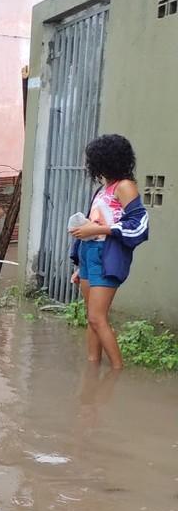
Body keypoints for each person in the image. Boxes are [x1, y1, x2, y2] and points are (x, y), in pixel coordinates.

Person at [68, 134, 149, 369]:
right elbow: (92, 224)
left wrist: (99, 228)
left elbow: (140, 223)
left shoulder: (125, 186)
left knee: (97, 317)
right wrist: (80, 266)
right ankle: (93, 369)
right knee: (91, 320)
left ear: (107, 159)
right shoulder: (103, 189)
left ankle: (117, 371)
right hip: (88, 254)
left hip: (106, 254)